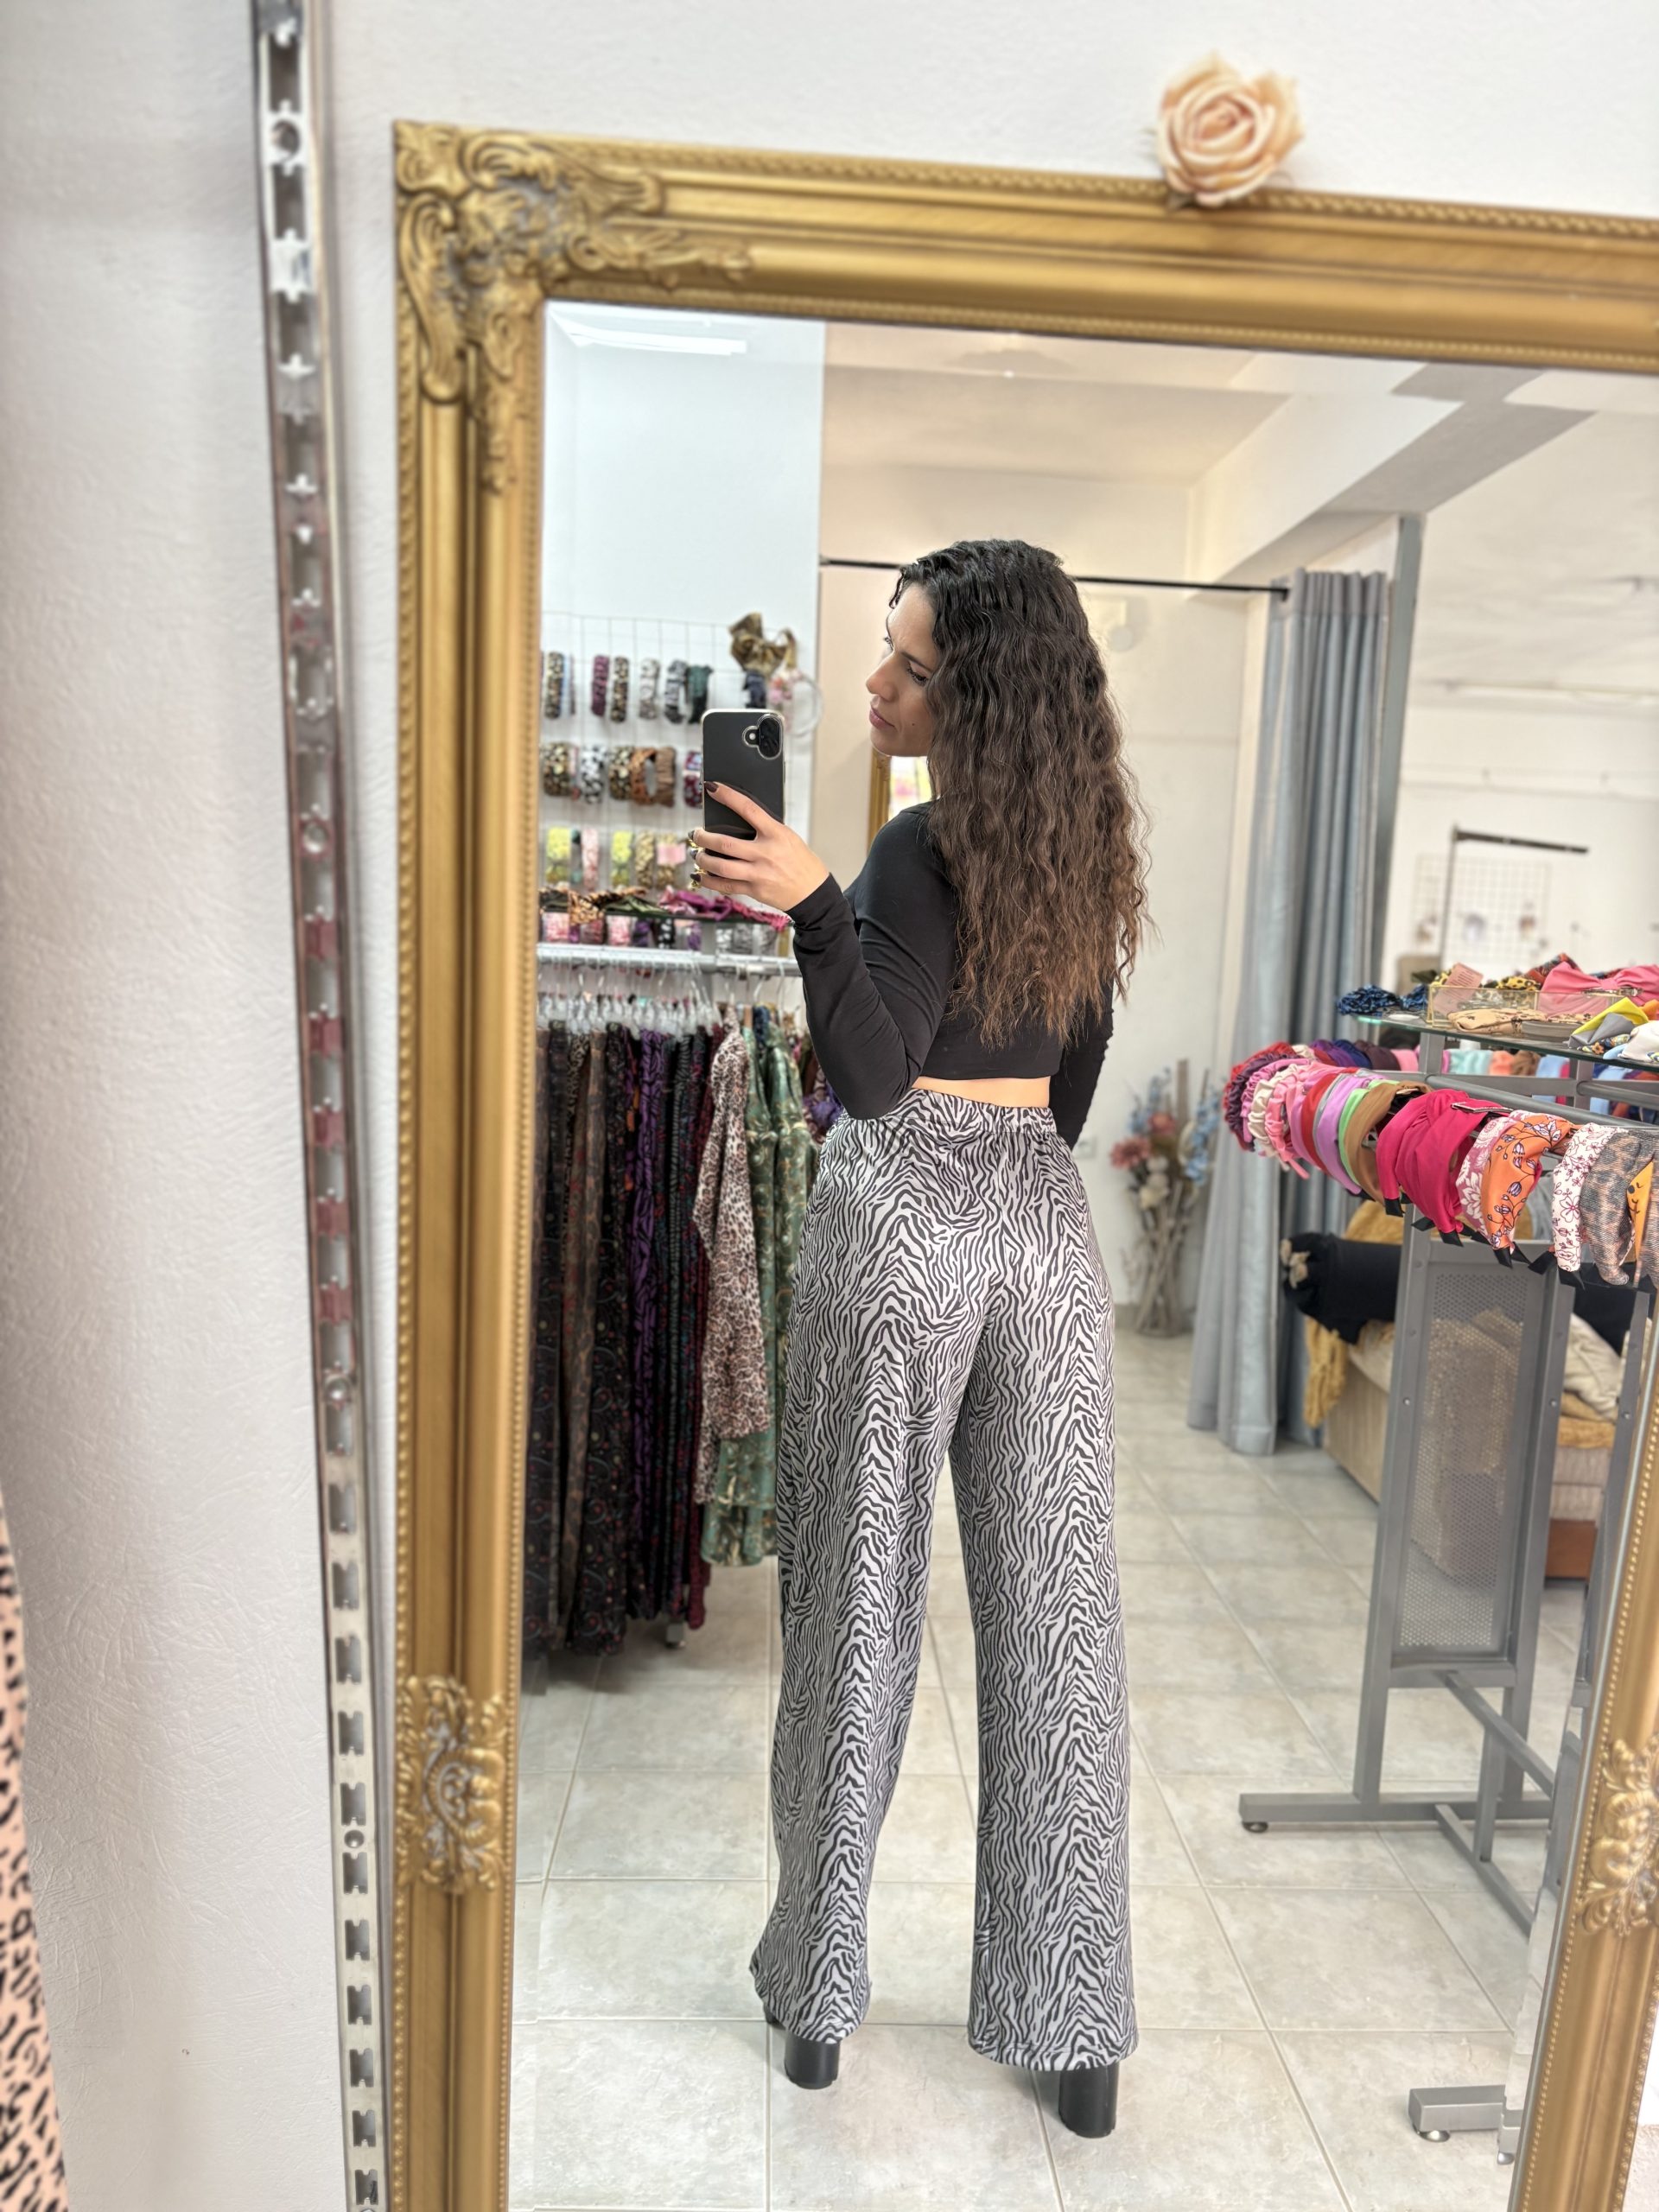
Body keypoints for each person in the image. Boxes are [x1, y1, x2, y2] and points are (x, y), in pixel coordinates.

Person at [688, 537, 1147, 2139]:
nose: (878, 684)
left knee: (856, 1603)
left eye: (909, 664)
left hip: (902, 1219)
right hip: (1043, 1230)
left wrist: (815, 906)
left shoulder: (904, 849)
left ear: (980, 694)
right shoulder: (1083, 847)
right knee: (1060, 1632)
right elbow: (1071, 1094)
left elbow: (874, 1082)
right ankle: (1076, 2033)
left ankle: (819, 1996)